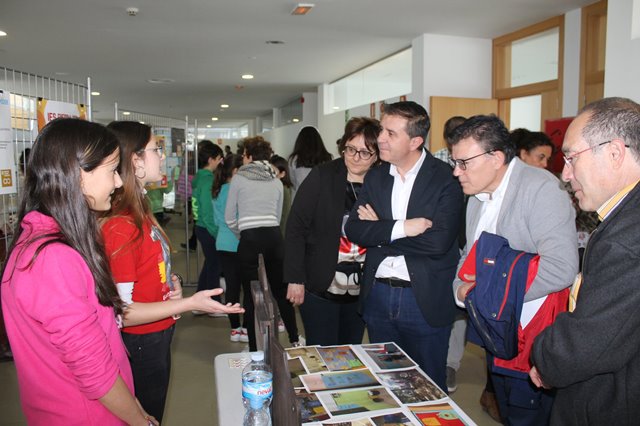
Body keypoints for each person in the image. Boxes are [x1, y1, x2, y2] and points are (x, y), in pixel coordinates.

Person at [1, 118, 157, 425]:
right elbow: (93, 370)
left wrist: (136, 408)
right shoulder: (52, 259)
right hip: (86, 415)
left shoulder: (45, 242)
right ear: (77, 175)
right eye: (112, 171)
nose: (118, 183)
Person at [103, 121, 242, 422]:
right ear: (135, 160)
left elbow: (151, 266)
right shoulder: (121, 224)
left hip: (157, 332)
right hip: (141, 340)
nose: (163, 156)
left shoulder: (140, 210)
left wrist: (173, 283)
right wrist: (190, 303)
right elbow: (122, 312)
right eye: (156, 149)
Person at [450, 115, 578, 425]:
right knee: (507, 411)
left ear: (495, 157)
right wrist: (459, 289)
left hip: (533, 340)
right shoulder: (476, 198)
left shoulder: (541, 189)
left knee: (528, 415)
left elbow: (561, 268)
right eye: (455, 162)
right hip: (497, 334)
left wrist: (489, 295)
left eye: (464, 163)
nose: (456, 172)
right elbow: (467, 257)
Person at [530, 97, 640, 425]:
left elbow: (586, 342)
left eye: (571, 158)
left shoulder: (628, 238)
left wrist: (544, 354)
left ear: (615, 152)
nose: (565, 174)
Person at [345, 101, 464, 392]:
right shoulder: (376, 175)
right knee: (386, 384)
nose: (380, 138)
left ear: (415, 141)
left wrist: (382, 228)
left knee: (427, 387)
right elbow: (354, 229)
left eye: (389, 132)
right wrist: (403, 227)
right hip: (378, 295)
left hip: (423, 298)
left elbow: (438, 242)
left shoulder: (446, 179)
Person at [285, 117, 381, 346]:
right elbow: (296, 227)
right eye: (350, 149)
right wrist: (295, 278)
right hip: (321, 284)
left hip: (363, 287)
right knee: (323, 350)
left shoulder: (382, 182)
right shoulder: (322, 176)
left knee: (352, 351)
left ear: (377, 155)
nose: (356, 158)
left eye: (365, 152)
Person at [226, 136, 299, 350]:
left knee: (250, 294)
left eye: (244, 154)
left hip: (249, 238)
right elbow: (277, 217)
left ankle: (253, 348)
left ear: (249, 155)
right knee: (280, 290)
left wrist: (244, 234)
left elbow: (230, 217)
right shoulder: (276, 181)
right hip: (274, 238)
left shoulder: (239, 179)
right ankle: (295, 339)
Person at [212, 154, 248, 343]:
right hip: (239, 243)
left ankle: (235, 329)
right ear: (235, 171)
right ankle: (247, 328)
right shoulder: (236, 190)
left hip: (223, 243)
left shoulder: (217, 190)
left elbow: (218, 220)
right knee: (247, 288)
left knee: (232, 288)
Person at [192, 141, 225, 313]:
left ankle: (200, 301)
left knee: (210, 263)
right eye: (219, 159)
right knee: (215, 265)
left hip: (202, 227)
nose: (221, 162)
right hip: (207, 228)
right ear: (211, 159)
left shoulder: (200, 177)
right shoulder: (207, 180)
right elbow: (207, 211)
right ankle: (214, 305)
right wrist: (216, 232)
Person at [288, 126, 332, 192]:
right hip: (321, 198)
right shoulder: (327, 158)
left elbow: (293, 181)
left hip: (301, 197)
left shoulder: (294, 159)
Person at [269, 154, 294, 238]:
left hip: (278, 236)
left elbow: (284, 218)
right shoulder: (276, 188)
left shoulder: (284, 190)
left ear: (282, 174)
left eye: (273, 172)